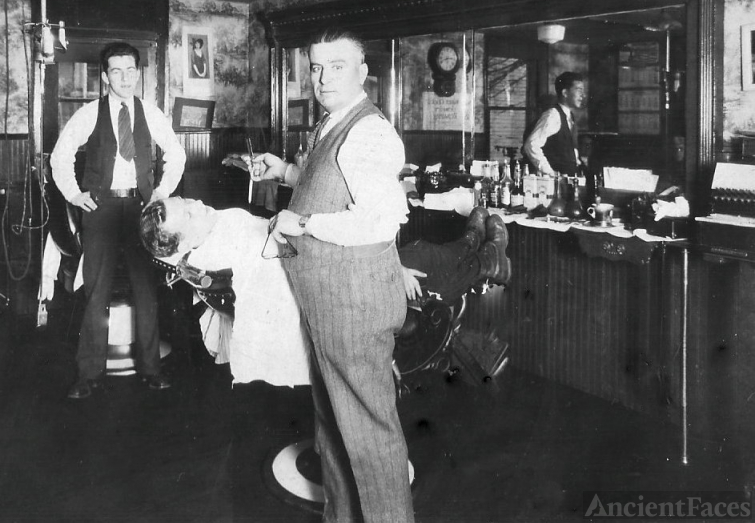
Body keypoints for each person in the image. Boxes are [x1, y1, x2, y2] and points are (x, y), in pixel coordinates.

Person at [247, 30, 416, 523]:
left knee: (368, 436)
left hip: (353, 302)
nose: (322, 78)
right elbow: (333, 185)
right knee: (336, 429)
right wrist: (285, 173)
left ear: (363, 73)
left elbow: (380, 222)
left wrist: (302, 223)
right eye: (316, 67)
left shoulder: (369, 132)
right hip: (330, 299)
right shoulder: (334, 121)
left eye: (336, 67)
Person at [138, 198, 510, 387]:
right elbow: (305, 261)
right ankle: (484, 259)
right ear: (182, 243)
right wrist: (384, 268)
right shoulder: (228, 243)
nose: (196, 204)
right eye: (188, 214)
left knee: (416, 254)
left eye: (184, 200)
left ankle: (473, 246)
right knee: (419, 258)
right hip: (331, 296)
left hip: (322, 277)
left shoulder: (206, 244)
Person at [50, 42, 186, 399]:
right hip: (102, 209)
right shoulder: (89, 113)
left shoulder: (150, 112)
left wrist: (161, 192)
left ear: (137, 73)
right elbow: (60, 155)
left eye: (129, 71)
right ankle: (88, 374)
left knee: (146, 289)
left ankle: (151, 369)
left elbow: (176, 153)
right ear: (105, 76)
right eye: (116, 71)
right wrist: (74, 194)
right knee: (96, 291)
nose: (124, 78)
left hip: (142, 209)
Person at [523, 71, 586, 176]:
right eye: (579, 90)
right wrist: (549, 172)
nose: (583, 95)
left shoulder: (570, 116)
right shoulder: (553, 115)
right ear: (565, 93)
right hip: (555, 181)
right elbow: (531, 145)